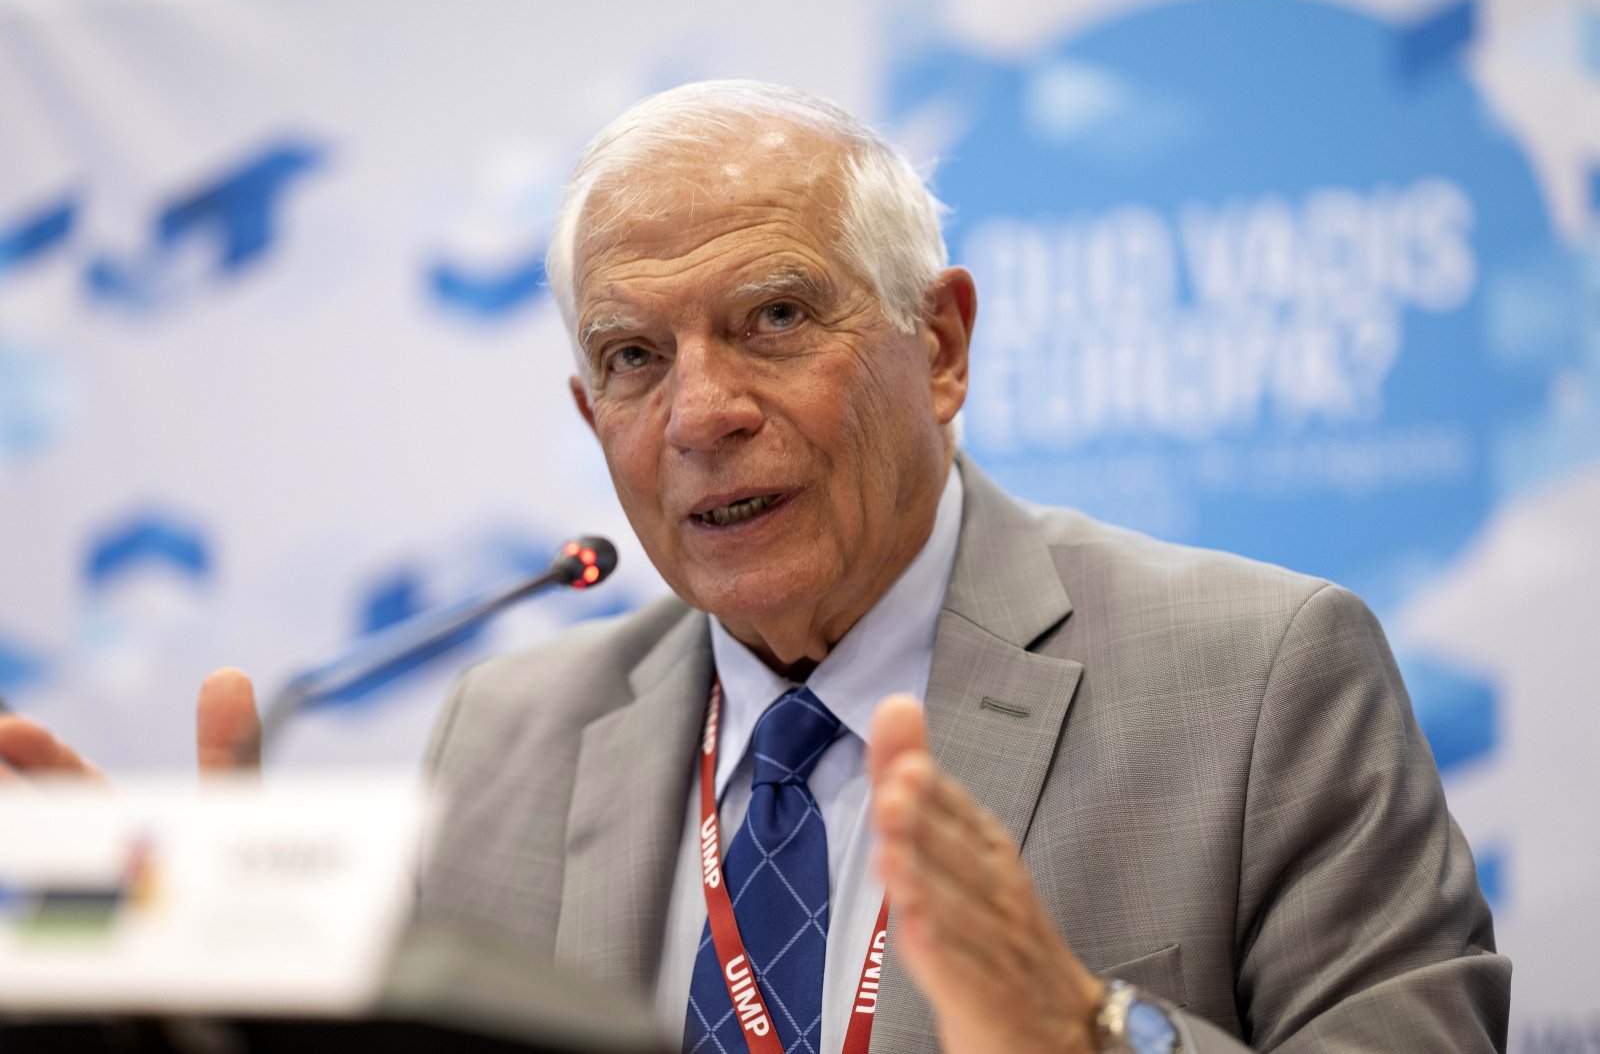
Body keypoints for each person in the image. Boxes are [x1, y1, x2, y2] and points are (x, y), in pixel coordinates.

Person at [1, 81, 1508, 1053]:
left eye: (776, 317)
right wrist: (194, 1001)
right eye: (636, 359)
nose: (703, 413)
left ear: (941, 343)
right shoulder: (509, 739)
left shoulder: (1261, 675)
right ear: (591, 420)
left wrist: (1096, 1031)